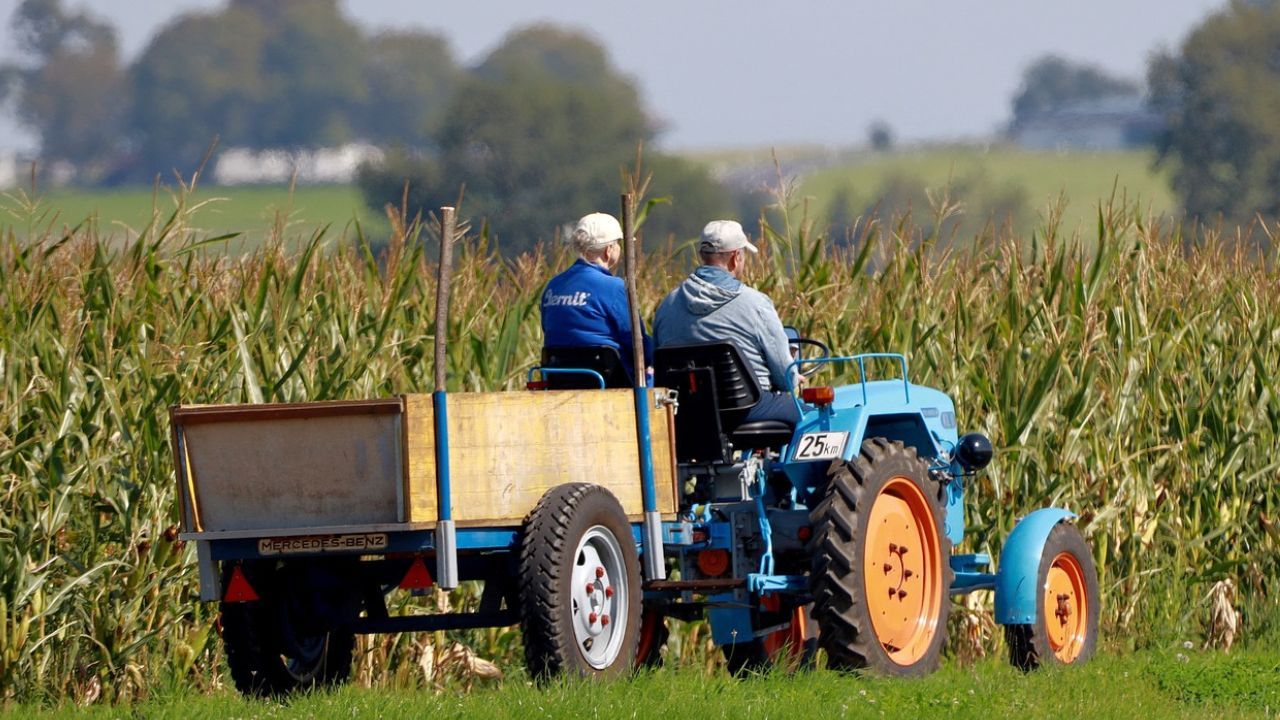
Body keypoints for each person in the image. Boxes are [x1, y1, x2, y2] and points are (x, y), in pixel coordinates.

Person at [653, 220, 800, 425]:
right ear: (735, 257)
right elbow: (785, 379)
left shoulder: (667, 305)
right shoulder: (756, 303)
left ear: (701, 255)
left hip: (688, 413)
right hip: (747, 409)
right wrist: (794, 377)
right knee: (814, 417)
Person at [540, 212, 652, 385]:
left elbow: (549, 329)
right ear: (609, 251)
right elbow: (637, 343)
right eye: (618, 244)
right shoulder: (614, 287)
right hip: (608, 381)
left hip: (558, 380)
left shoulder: (553, 286)